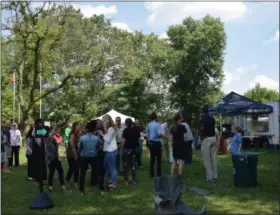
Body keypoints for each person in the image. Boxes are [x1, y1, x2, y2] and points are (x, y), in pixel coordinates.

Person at [79, 121, 105, 196]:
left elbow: (80, 148)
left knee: (82, 174)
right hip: (94, 156)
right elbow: (100, 146)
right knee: (97, 173)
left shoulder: (82, 138)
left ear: (87, 129)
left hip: (84, 157)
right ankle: (102, 189)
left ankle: (81, 191)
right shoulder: (96, 138)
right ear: (93, 130)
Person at [200, 106, 218, 181]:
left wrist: (201, 138)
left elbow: (201, 129)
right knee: (213, 158)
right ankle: (215, 175)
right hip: (213, 138)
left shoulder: (202, 119)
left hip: (206, 139)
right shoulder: (212, 118)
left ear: (203, 112)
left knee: (207, 159)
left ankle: (209, 177)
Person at [45, 127, 66, 192]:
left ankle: (50, 186)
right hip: (53, 158)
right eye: (54, 130)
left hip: (48, 158)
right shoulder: (52, 138)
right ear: (51, 131)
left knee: (51, 172)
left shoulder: (46, 138)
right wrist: (58, 157)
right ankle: (62, 185)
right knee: (60, 171)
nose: (55, 131)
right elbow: (54, 149)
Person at [102, 114, 118, 191]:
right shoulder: (108, 129)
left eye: (103, 121)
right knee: (105, 165)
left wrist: (102, 134)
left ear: (107, 121)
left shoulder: (111, 129)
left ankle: (113, 184)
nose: (102, 122)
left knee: (112, 168)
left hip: (111, 150)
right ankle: (111, 180)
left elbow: (107, 140)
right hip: (107, 150)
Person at [122, 118, 140, 185]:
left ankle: (126, 181)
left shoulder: (126, 130)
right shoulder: (136, 130)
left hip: (126, 149)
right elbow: (138, 138)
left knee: (126, 165)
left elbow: (123, 140)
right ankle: (134, 180)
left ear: (126, 123)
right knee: (133, 165)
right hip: (134, 149)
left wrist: (121, 147)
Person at [146, 112, 162, 178]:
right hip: (157, 143)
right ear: (155, 117)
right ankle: (158, 174)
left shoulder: (148, 125)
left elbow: (147, 135)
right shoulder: (158, 124)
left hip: (151, 143)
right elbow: (159, 134)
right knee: (158, 160)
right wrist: (161, 135)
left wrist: (149, 141)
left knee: (152, 159)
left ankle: (152, 174)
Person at [65, 122, 80, 188]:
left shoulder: (77, 134)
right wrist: (76, 154)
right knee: (74, 168)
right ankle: (72, 181)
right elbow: (72, 145)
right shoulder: (73, 134)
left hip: (74, 152)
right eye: (78, 126)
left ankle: (71, 180)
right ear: (75, 127)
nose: (79, 126)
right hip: (71, 153)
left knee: (74, 168)